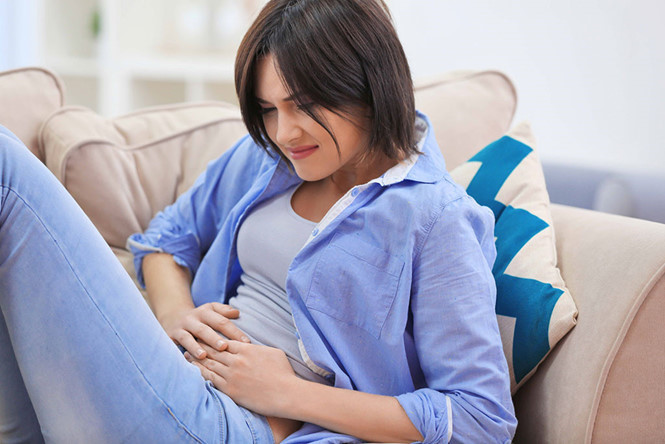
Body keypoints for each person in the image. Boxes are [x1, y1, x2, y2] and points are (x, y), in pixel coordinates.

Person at [0, 0, 517, 442]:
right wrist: (175, 314)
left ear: (369, 83)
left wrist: (289, 394)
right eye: (268, 109)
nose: (285, 131)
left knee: (6, 168)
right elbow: (165, 240)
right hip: (173, 374)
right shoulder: (269, 160)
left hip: (233, 424)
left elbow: (480, 418)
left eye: (304, 105)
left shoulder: (434, 218)